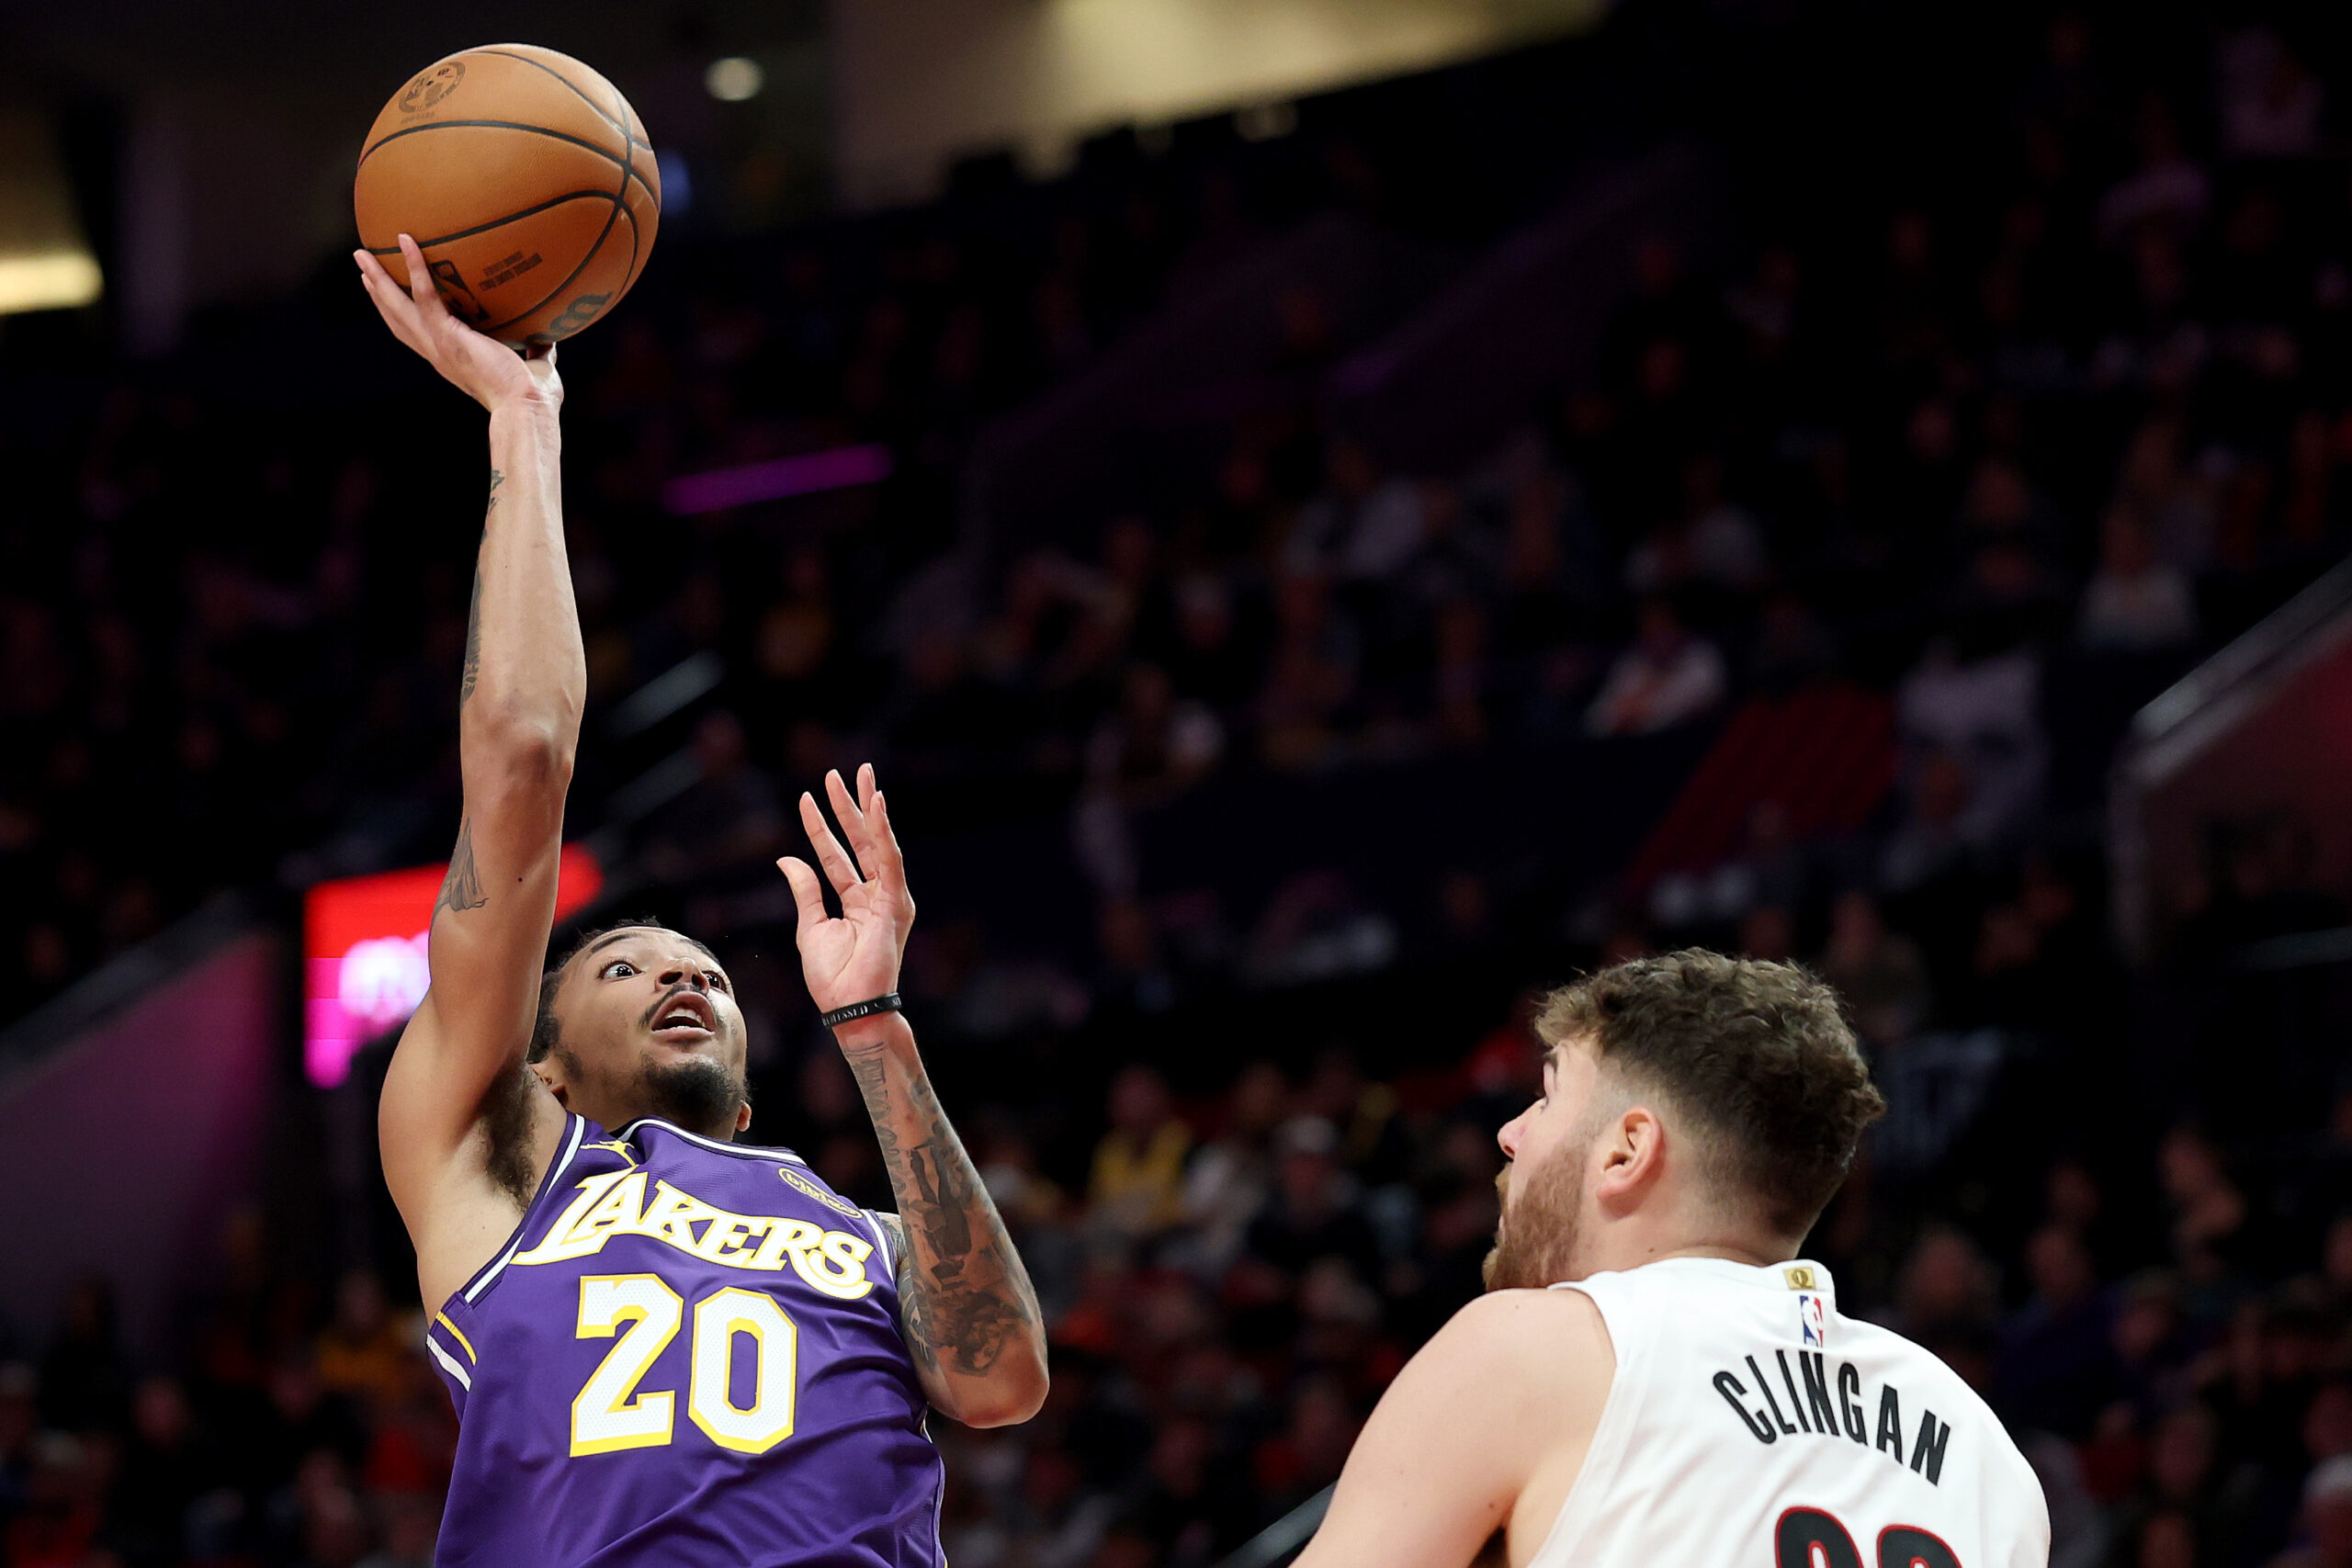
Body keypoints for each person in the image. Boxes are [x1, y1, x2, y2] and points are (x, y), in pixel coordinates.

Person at [355, 237, 1048, 1568]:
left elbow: (999, 1380)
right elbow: (520, 756)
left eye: (714, 976)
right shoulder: (501, 1173)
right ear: (541, 1061)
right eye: (623, 967)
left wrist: (879, 1028)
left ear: (746, 1092)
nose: (688, 978)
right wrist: (525, 414)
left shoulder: (863, 1231)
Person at [1294, 950, 2047, 1568]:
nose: (1511, 1134)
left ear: (1627, 1149)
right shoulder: (1983, 1450)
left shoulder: (1533, 1349)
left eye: (1549, 1098)